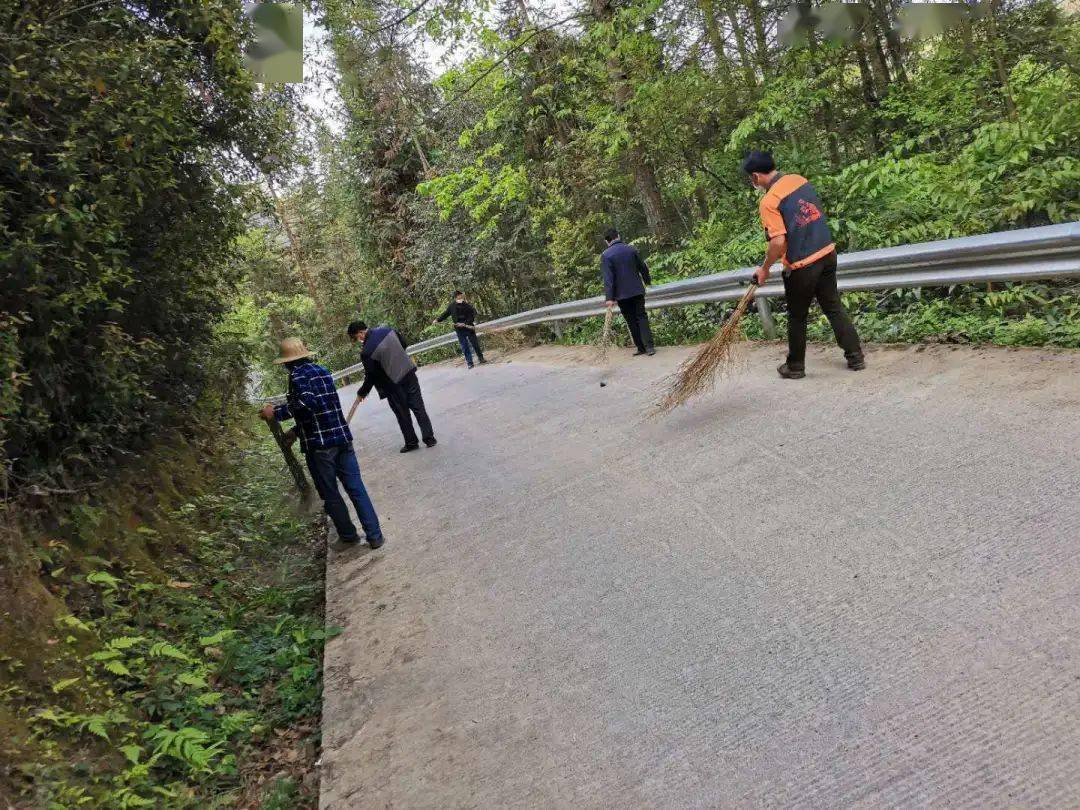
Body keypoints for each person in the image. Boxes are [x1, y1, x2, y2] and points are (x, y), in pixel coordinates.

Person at [744, 150, 865, 379]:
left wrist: (765, 268)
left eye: (752, 178)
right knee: (833, 306)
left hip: (802, 265)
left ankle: (795, 366)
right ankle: (855, 356)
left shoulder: (769, 202)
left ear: (756, 177)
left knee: (797, 316)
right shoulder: (799, 180)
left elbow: (778, 242)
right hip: (827, 253)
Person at [259, 338, 384, 549]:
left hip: (320, 446)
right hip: (342, 438)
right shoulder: (323, 371)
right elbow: (322, 408)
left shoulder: (297, 376)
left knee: (330, 493)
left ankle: (348, 536)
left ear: (286, 362)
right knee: (356, 488)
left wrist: (276, 413)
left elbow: (308, 404)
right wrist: (297, 431)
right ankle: (375, 536)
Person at [347, 320, 437, 453]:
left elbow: (371, 376)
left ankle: (411, 442)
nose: (358, 340)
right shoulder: (388, 330)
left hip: (392, 384)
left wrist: (362, 392)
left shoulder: (366, 351)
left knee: (402, 414)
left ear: (360, 332)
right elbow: (403, 344)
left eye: (356, 337)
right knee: (419, 407)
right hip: (409, 373)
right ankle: (429, 439)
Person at [600, 227, 655, 356]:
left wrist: (610, 298)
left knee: (631, 320)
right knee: (641, 317)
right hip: (637, 290)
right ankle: (649, 347)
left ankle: (640, 347)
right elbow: (643, 267)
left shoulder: (606, 255)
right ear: (618, 236)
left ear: (607, 241)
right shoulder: (631, 249)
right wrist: (647, 281)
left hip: (621, 295)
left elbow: (608, 279)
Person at [433, 290, 486, 369]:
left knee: (475, 343)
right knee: (464, 346)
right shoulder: (452, 306)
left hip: (468, 327)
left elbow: (473, 314)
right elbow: (445, 314)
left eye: (461, 294)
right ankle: (470, 363)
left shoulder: (466, 305)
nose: (461, 296)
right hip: (459, 329)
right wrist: (437, 320)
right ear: (457, 296)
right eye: (460, 295)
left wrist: (465, 323)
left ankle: (481, 358)